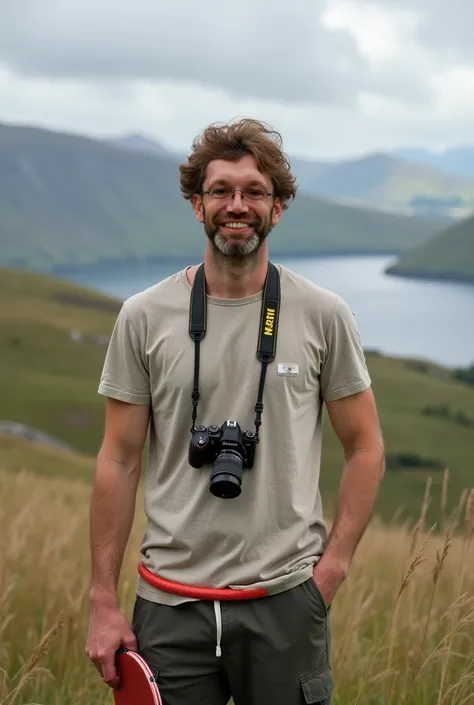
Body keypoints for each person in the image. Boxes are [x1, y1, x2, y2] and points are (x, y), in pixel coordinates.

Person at [85, 117, 385, 705]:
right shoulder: (144, 316)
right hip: (170, 609)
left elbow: (366, 447)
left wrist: (332, 571)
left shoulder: (323, 314)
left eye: (254, 191)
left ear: (279, 208)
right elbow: (117, 461)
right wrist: (102, 599)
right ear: (197, 205)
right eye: (220, 190)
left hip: (286, 605)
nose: (237, 205)